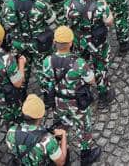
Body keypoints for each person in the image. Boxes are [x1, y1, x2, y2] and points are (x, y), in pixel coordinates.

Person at [38, 26, 100, 165]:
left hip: (58, 101)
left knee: (60, 126)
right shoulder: (79, 63)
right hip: (77, 102)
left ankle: (63, 156)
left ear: (55, 42)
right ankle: (86, 155)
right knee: (83, 126)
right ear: (71, 43)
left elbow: (45, 81)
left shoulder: (47, 61)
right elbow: (91, 80)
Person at [5, 93, 67, 165]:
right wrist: (64, 135)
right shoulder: (48, 140)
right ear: (41, 116)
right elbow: (61, 163)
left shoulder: (11, 131)